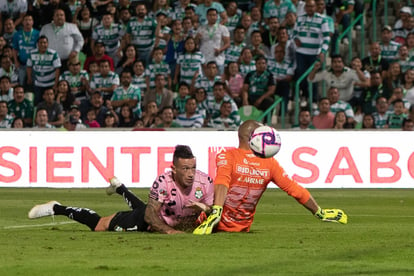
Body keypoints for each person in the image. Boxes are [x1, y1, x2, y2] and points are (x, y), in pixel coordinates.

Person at [193, 120, 347, 235]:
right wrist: (319, 212)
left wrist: (216, 211)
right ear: (254, 137)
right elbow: (295, 190)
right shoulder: (270, 164)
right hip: (241, 228)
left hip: (212, 224)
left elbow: (222, 181)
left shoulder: (227, 156)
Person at [28, 145, 214, 234]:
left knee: (144, 206)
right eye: (185, 169)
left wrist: (206, 209)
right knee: (100, 225)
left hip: (162, 217)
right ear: (173, 169)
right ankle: (57, 208)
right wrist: (171, 232)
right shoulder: (163, 182)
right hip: (147, 223)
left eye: (193, 168)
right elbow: (150, 216)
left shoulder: (205, 182)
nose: (190, 174)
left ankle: (119, 187)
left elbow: (216, 211)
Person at [26, 35, 61, 105]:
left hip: (50, 84)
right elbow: (29, 66)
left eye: (44, 43)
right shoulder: (32, 53)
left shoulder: (53, 53)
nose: (43, 45)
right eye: (40, 43)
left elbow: (57, 69)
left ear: (47, 44)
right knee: (38, 102)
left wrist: (56, 84)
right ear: (37, 44)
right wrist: (29, 78)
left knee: (51, 103)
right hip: (38, 83)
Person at [195, 8, 230, 74]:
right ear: (206, 16)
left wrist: (220, 50)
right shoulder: (201, 28)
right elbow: (196, 44)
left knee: (218, 79)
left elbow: (228, 44)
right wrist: (196, 38)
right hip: (204, 58)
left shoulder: (222, 28)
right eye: (210, 15)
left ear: (217, 16)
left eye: (214, 15)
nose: (212, 17)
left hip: (218, 58)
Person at [12, 14, 40, 87]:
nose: (27, 22)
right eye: (26, 20)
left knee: (35, 84)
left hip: (34, 64)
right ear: (22, 22)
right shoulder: (17, 34)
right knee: (21, 84)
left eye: (30, 20)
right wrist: (16, 61)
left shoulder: (38, 33)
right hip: (22, 64)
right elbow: (14, 49)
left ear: (32, 22)